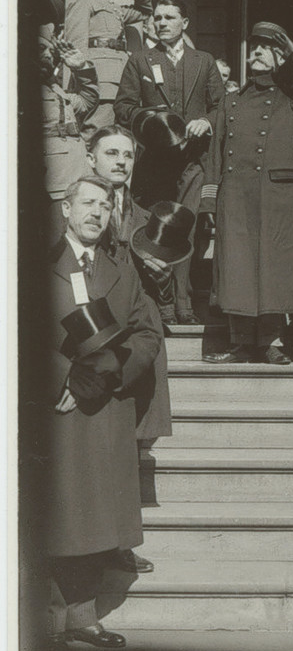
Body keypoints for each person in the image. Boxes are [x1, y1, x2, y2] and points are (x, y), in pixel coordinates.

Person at [45, 175, 162, 647]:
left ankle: (81, 617)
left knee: (94, 518)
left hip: (106, 406)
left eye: (105, 205)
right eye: (87, 203)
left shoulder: (122, 268)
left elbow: (147, 333)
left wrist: (110, 368)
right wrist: (63, 375)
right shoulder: (32, 263)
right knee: (57, 514)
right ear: (66, 210)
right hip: (53, 409)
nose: (96, 212)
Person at [199, 22, 293, 363]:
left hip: (278, 196)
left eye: (266, 47)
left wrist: (292, 51)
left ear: (279, 56)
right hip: (237, 195)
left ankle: (273, 341)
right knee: (238, 266)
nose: (257, 52)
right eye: (254, 47)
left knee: (276, 266)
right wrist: (210, 202)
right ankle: (242, 341)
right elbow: (215, 153)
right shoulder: (231, 101)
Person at [114, 0, 224, 324]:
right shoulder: (140, 60)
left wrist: (206, 120)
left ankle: (183, 303)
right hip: (155, 162)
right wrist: (152, 120)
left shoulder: (203, 62)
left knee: (185, 229)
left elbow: (221, 108)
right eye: (158, 18)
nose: (162, 23)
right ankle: (160, 306)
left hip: (193, 161)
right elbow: (123, 107)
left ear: (184, 23)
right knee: (156, 229)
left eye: (170, 18)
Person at [87, 127, 173, 517]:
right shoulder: (78, 210)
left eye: (128, 155)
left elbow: (165, 296)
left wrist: (163, 276)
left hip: (141, 332)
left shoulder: (148, 218)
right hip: (93, 331)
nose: (120, 161)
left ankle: (127, 530)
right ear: (92, 158)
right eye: (111, 153)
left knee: (137, 429)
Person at [64, 0, 153, 136]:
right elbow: (75, 51)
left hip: (121, 79)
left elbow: (145, 12)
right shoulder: (83, 2)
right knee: (97, 136)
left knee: (118, 139)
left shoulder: (113, 7)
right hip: (100, 84)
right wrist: (87, 86)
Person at [39, 21, 99, 208]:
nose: (48, 55)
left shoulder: (56, 90)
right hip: (54, 180)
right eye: (41, 49)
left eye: (51, 52)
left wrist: (81, 68)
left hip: (78, 174)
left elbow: (87, 101)